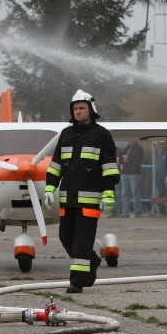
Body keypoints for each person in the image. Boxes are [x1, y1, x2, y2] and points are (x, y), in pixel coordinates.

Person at [44, 89, 120, 293]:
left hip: (90, 199)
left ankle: (77, 282)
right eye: (75, 108)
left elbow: (109, 167)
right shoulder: (66, 134)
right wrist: (50, 187)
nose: (78, 112)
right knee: (65, 237)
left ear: (91, 109)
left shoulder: (102, 135)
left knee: (81, 241)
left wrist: (108, 193)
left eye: (82, 108)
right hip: (68, 198)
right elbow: (56, 164)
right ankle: (92, 260)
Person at [118, 140, 145, 218]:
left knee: (135, 193)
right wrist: (124, 158)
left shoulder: (139, 148)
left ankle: (138, 212)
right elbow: (121, 158)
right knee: (124, 194)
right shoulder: (127, 147)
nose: (128, 140)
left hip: (134, 173)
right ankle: (125, 213)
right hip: (125, 173)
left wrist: (128, 158)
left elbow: (136, 159)